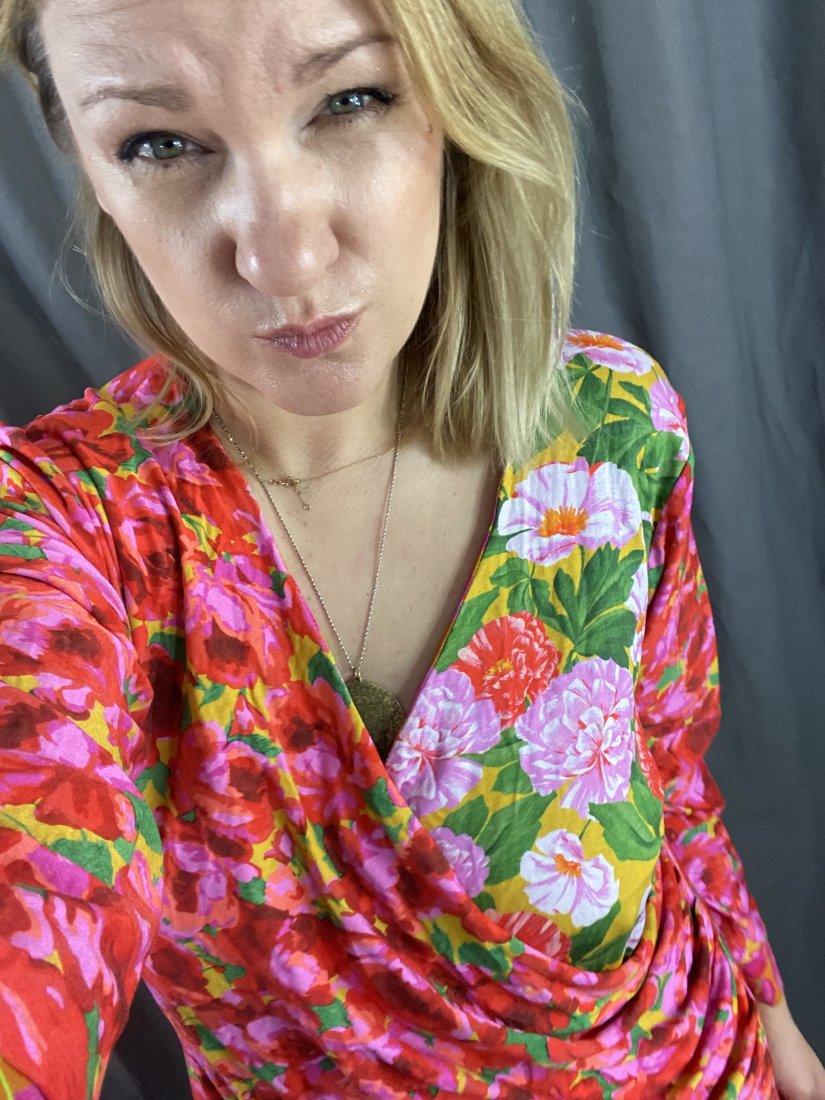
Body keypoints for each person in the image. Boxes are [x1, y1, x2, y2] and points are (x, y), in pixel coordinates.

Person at [0, 0, 823, 1096]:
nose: (285, 255)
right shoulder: (73, 530)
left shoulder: (613, 422)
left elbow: (667, 764)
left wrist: (767, 1002)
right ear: (85, 163)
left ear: (454, 96)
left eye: (349, 99)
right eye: (159, 144)